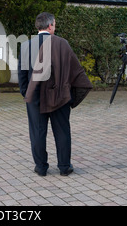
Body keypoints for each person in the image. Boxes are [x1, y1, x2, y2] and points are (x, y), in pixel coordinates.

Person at [18, 12, 92, 177]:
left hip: (35, 97)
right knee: (62, 131)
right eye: (55, 24)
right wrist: (70, 94)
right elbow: (75, 71)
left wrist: (27, 94)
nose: (55, 26)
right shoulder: (62, 44)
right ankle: (64, 167)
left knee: (37, 132)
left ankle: (41, 167)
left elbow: (22, 75)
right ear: (50, 25)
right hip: (60, 96)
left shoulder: (25, 45)